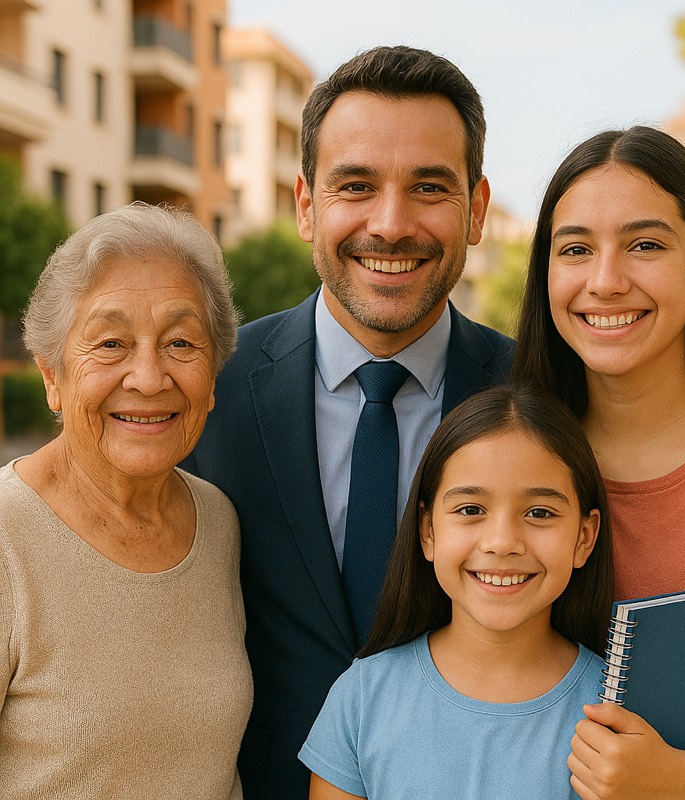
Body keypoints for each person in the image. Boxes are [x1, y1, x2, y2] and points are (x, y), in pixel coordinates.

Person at [181, 44, 514, 798]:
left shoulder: (542, 396)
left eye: (430, 187)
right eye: (356, 185)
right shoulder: (208, 385)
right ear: (306, 205)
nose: (390, 225)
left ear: (478, 210)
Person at [512, 125, 685, 799]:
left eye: (645, 245)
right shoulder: (505, 452)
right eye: (576, 249)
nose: (606, 281)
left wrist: (681, 780)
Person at [0, 203, 253, 799]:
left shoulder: (217, 521)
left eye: (181, 343)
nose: (147, 377)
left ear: (212, 379)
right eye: (110, 342)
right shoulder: (7, 537)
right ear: (52, 377)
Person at [298, 384, 613, 799]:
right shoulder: (362, 698)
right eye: (471, 510)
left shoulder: (615, 712)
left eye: (539, 512)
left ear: (584, 537)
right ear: (427, 530)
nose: (502, 542)